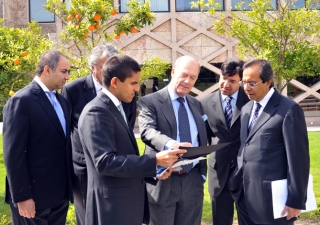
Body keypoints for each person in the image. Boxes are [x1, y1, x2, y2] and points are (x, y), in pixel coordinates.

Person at [78, 54, 186, 225]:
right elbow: (105, 162)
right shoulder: (97, 112)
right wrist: (155, 160)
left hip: (124, 207)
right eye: (133, 83)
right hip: (112, 211)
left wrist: (155, 170)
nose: (137, 89)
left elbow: (124, 156)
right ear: (115, 82)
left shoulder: (115, 107)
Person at [61, 43, 137, 225]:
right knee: (89, 218)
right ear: (92, 68)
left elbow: (127, 127)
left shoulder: (126, 91)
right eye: (106, 67)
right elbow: (65, 130)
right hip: (83, 170)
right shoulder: (73, 90)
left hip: (117, 166)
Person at [229, 59, 310, 225]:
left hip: (273, 202)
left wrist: (296, 200)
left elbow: (298, 160)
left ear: (268, 82)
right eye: (243, 82)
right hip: (244, 197)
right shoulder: (246, 109)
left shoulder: (288, 110)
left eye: (252, 83)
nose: (246, 88)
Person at [3, 50, 73, 225]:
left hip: (58, 198)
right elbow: (13, 154)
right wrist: (22, 196)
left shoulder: (62, 102)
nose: (68, 77)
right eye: (64, 71)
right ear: (47, 70)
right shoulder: (21, 101)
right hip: (32, 198)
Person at [138, 55, 207, 225]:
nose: (187, 81)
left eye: (193, 77)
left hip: (192, 181)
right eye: (184, 75)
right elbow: (148, 131)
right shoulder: (150, 101)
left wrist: (201, 176)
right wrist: (173, 145)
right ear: (173, 72)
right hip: (164, 179)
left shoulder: (196, 104)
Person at [200, 58, 249, 225]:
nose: (226, 84)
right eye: (223, 78)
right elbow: (203, 139)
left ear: (241, 82)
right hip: (218, 174)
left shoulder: (252, 101)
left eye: (232, 81)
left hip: (246, 173)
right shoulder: (204, 103)